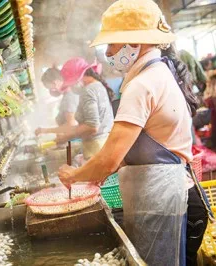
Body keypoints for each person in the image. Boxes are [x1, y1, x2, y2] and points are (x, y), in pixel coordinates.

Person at [58, 0, 213, 265]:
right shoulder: (157, 73)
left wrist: (74, 175)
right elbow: (126, 151)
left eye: (112, 44)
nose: (108, 52)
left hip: (169, 204)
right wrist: (96, 170)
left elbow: (108, 160)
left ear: (134, 43)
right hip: (171, 198)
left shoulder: (142, 85)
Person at [37, 57, 115, 160]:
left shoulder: (88, 90)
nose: (72, 86)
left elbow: (92, 126)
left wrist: (66, 137)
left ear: (78, 77)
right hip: (104, 145)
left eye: (72, 82)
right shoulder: (98, 85)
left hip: (96, 148)